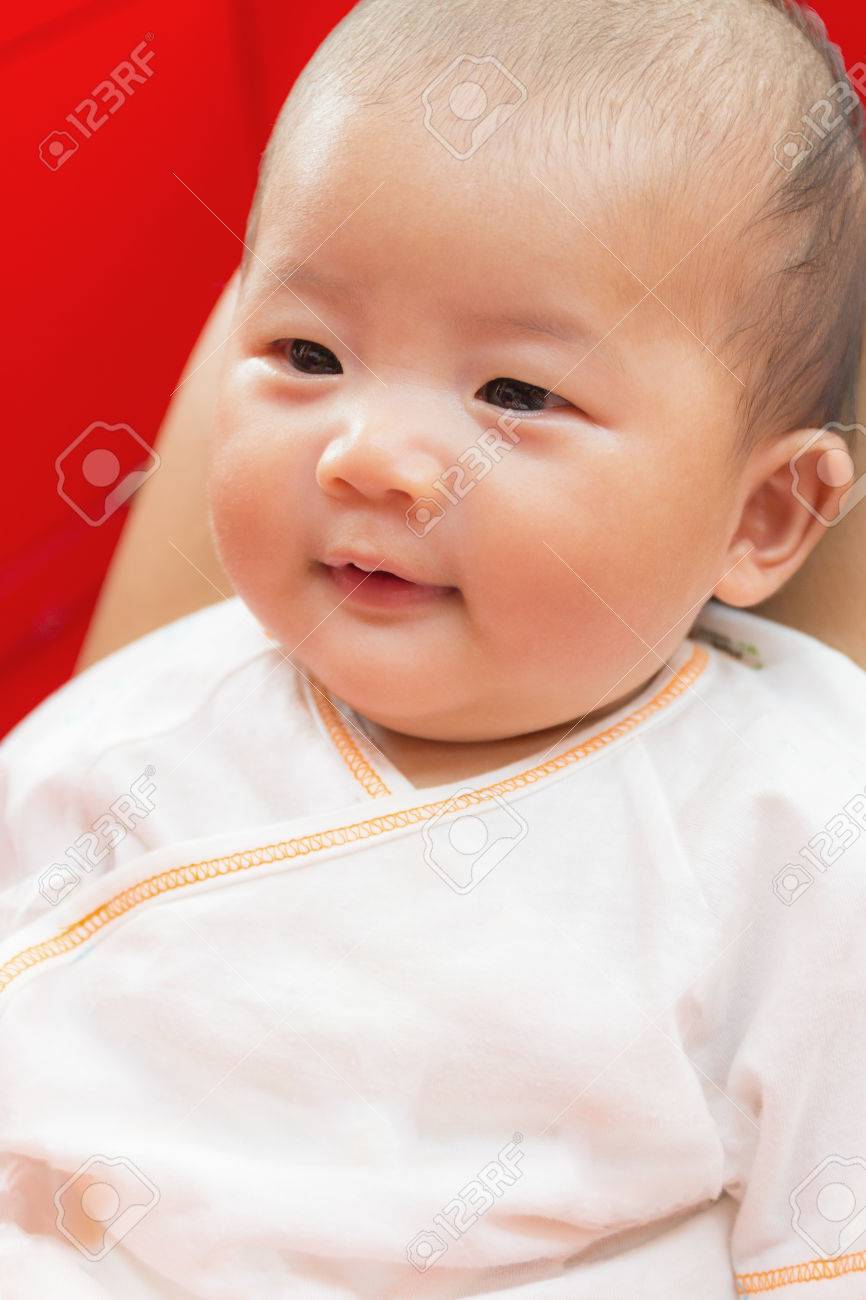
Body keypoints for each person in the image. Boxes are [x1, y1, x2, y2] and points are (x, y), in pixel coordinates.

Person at [2, 0, 866, 1294]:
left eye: (512, 394)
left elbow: (824, 1231)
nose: (368, 455)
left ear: (759, 514)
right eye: (307, 353)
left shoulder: (797, 817)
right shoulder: (130, 734)